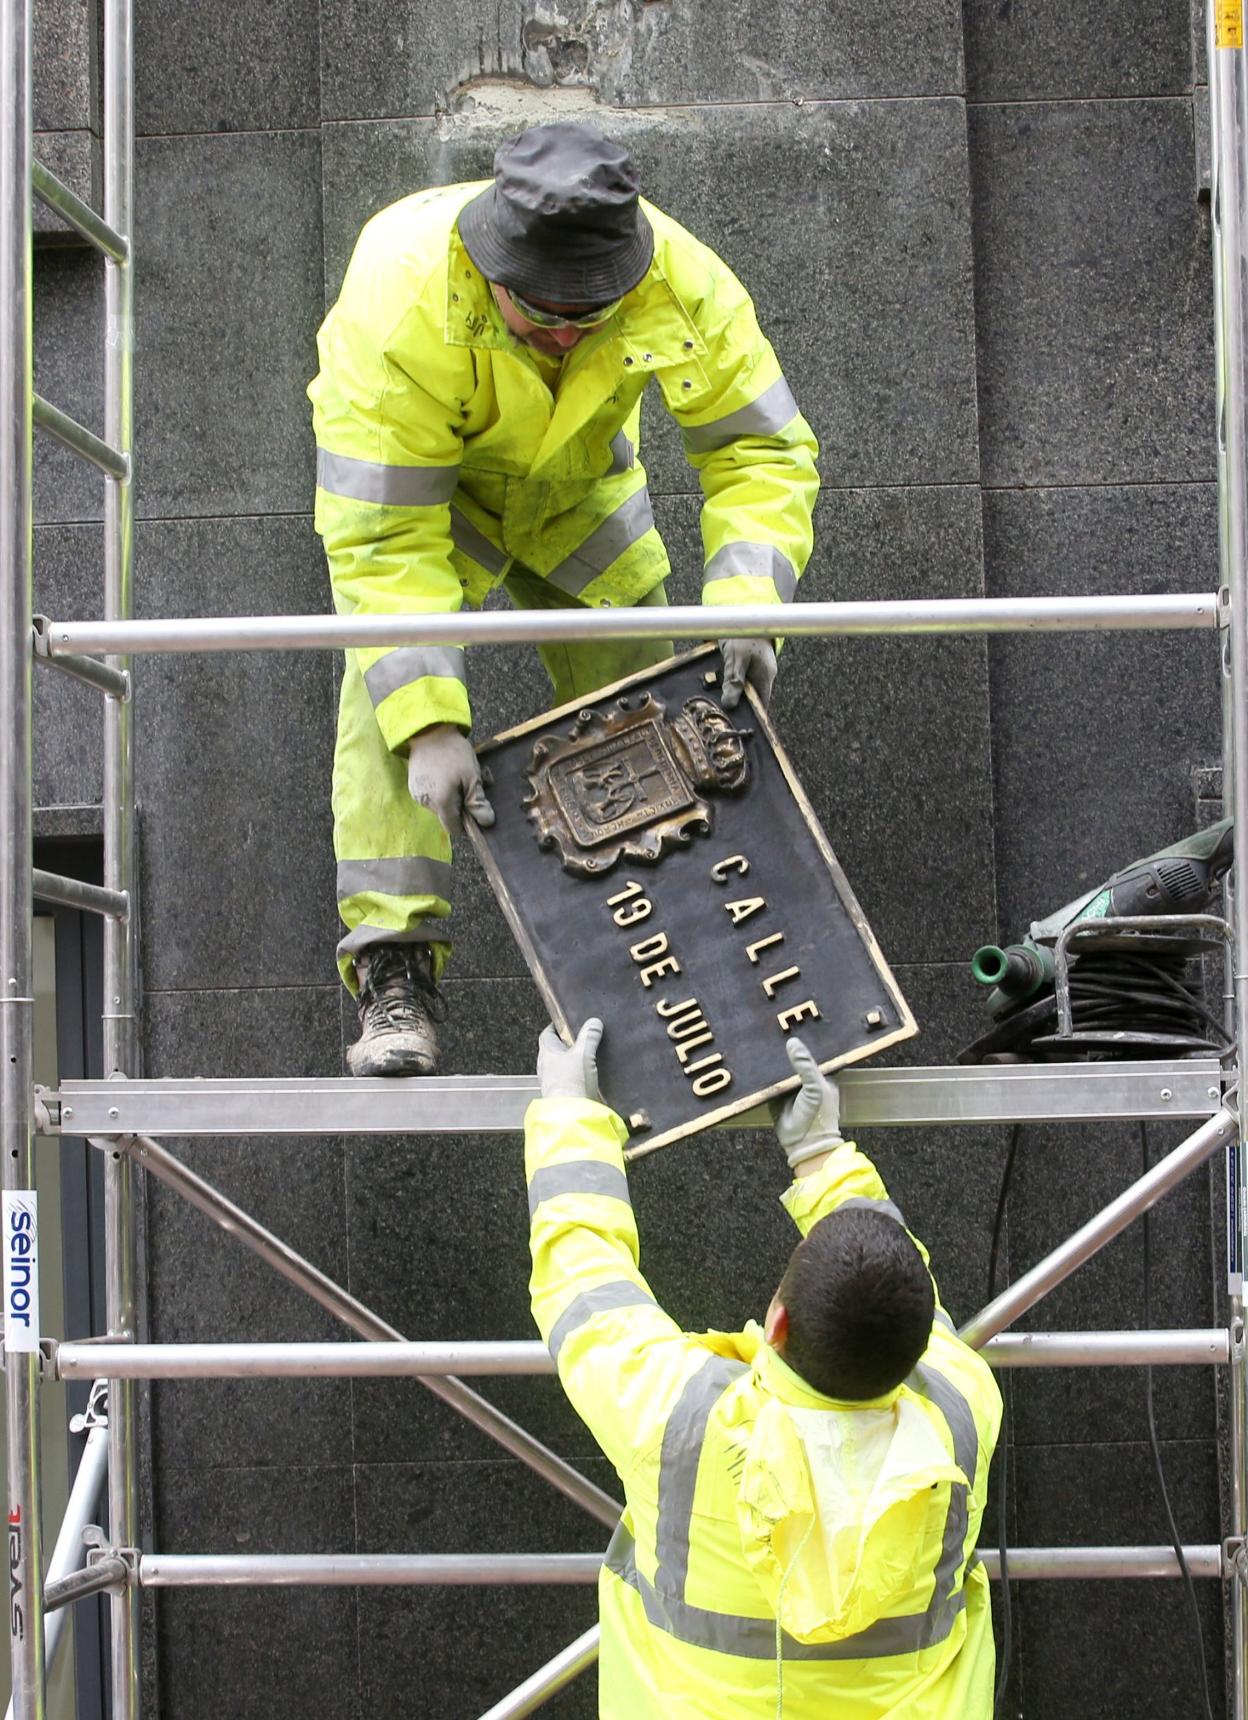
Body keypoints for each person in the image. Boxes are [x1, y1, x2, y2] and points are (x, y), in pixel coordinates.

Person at [309, 121, 819, 1077]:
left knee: (652, 699)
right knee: (383, 693)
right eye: (538, 313)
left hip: (579, 492)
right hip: (433, 497)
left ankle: (662, 951)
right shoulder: (401, 291)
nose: (559, 333)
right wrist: (428, 725)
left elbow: (760, 451)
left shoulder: (679, 277)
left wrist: (747, 603)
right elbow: (383, 537)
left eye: (586, 317)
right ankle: (394, 970)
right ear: (490, 267)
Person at [526, 1020, 1002, 1718]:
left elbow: (583, 1276)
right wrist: (821, 1155)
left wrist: (569, 1115)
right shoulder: (963, 1409)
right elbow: (903, 1296)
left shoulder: (680, 1417)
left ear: (776, 1321)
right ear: (918, 1347)